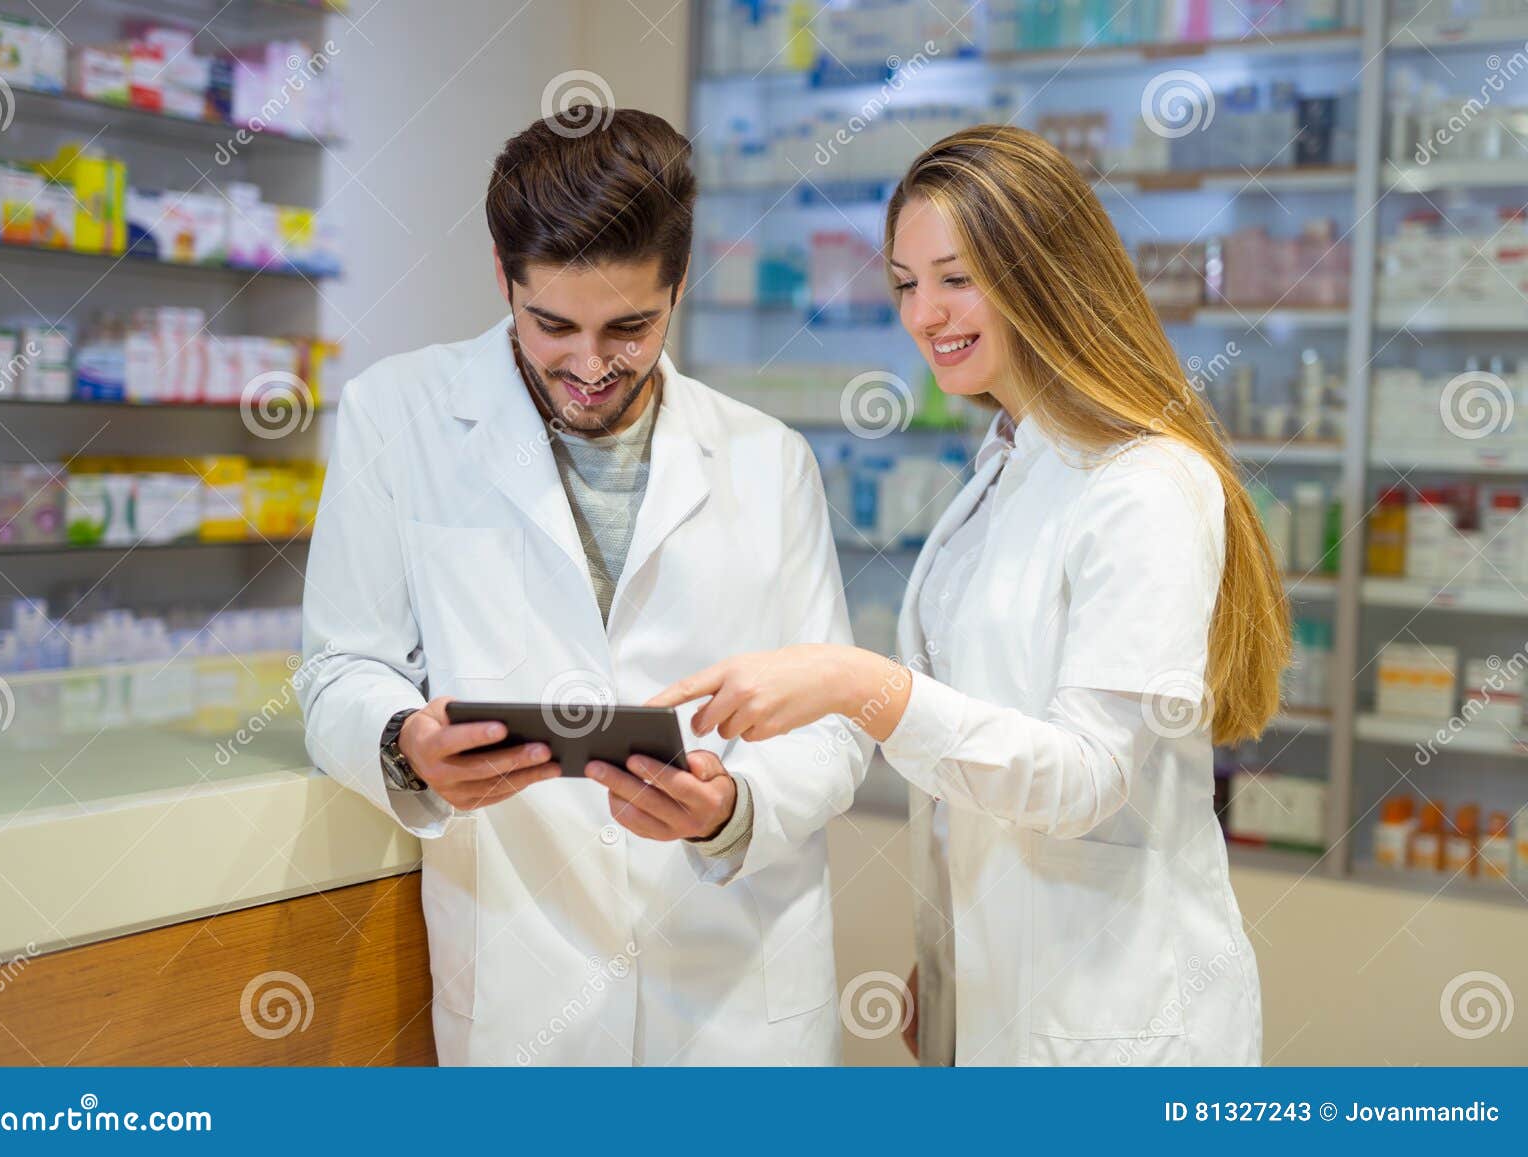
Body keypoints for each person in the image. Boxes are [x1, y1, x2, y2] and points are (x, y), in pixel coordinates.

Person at [649, 125, 1290, 1067]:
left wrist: (856, 683)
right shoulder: (1004, 467)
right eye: (906, 283)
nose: (923, 312)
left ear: (1042, 273)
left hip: (1122, 1020)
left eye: (957, 277)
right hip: (1003, 993)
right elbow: (984, 765)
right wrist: (953, 954)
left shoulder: (1144, 483)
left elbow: (1085, 779)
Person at [298, 108, 869, 1066]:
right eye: (551, 323)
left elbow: (838, 723)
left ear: (678, 289)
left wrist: (733, 807)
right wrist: (404, 743)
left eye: (630, 327)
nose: (590, 365)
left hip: (735, 993)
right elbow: (338, 667)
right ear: (502, 275)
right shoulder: (398, 415)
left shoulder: (770, 460)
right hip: (527, 978)